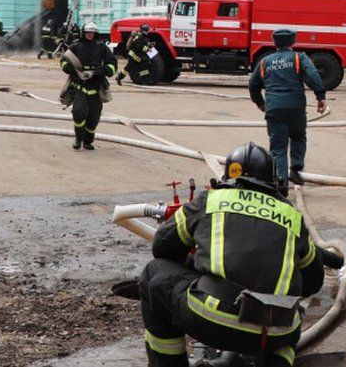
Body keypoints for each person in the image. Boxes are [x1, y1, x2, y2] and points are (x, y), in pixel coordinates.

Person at [139, 142, 324, 367]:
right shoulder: (292, 216)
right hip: (276, 332)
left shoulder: (210, 200)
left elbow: (162, 248)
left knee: (153, 273)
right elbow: (314, 281)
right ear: (273, 182)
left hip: (212, 320)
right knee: (290, 313)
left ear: (226, 178)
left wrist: (198, 266)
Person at [248, 29, 327, 191]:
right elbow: (312, 75)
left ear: (274, 42)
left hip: (274, 109)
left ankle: (281, 183)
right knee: (298, 137)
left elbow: (253, 84)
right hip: (295, 107)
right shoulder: (299, 58)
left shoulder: (265, 62)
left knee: (278, 148)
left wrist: (260, 103)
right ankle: (296, 170)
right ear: (293, 42)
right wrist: (321, 97)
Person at [60, 21, 117, 150]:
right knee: (79, 113)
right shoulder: (76, 46)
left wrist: (99, 72)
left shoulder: (102, 47)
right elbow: (64, 61)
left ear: (95, 34)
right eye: (88, 33)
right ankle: (78, 138)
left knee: (94, 117)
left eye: (92, 33)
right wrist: (74, 71)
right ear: (83, 33)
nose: (90, 35)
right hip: (79, 85)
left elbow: (112, 63)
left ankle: (88, 141)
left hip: (96, 87)